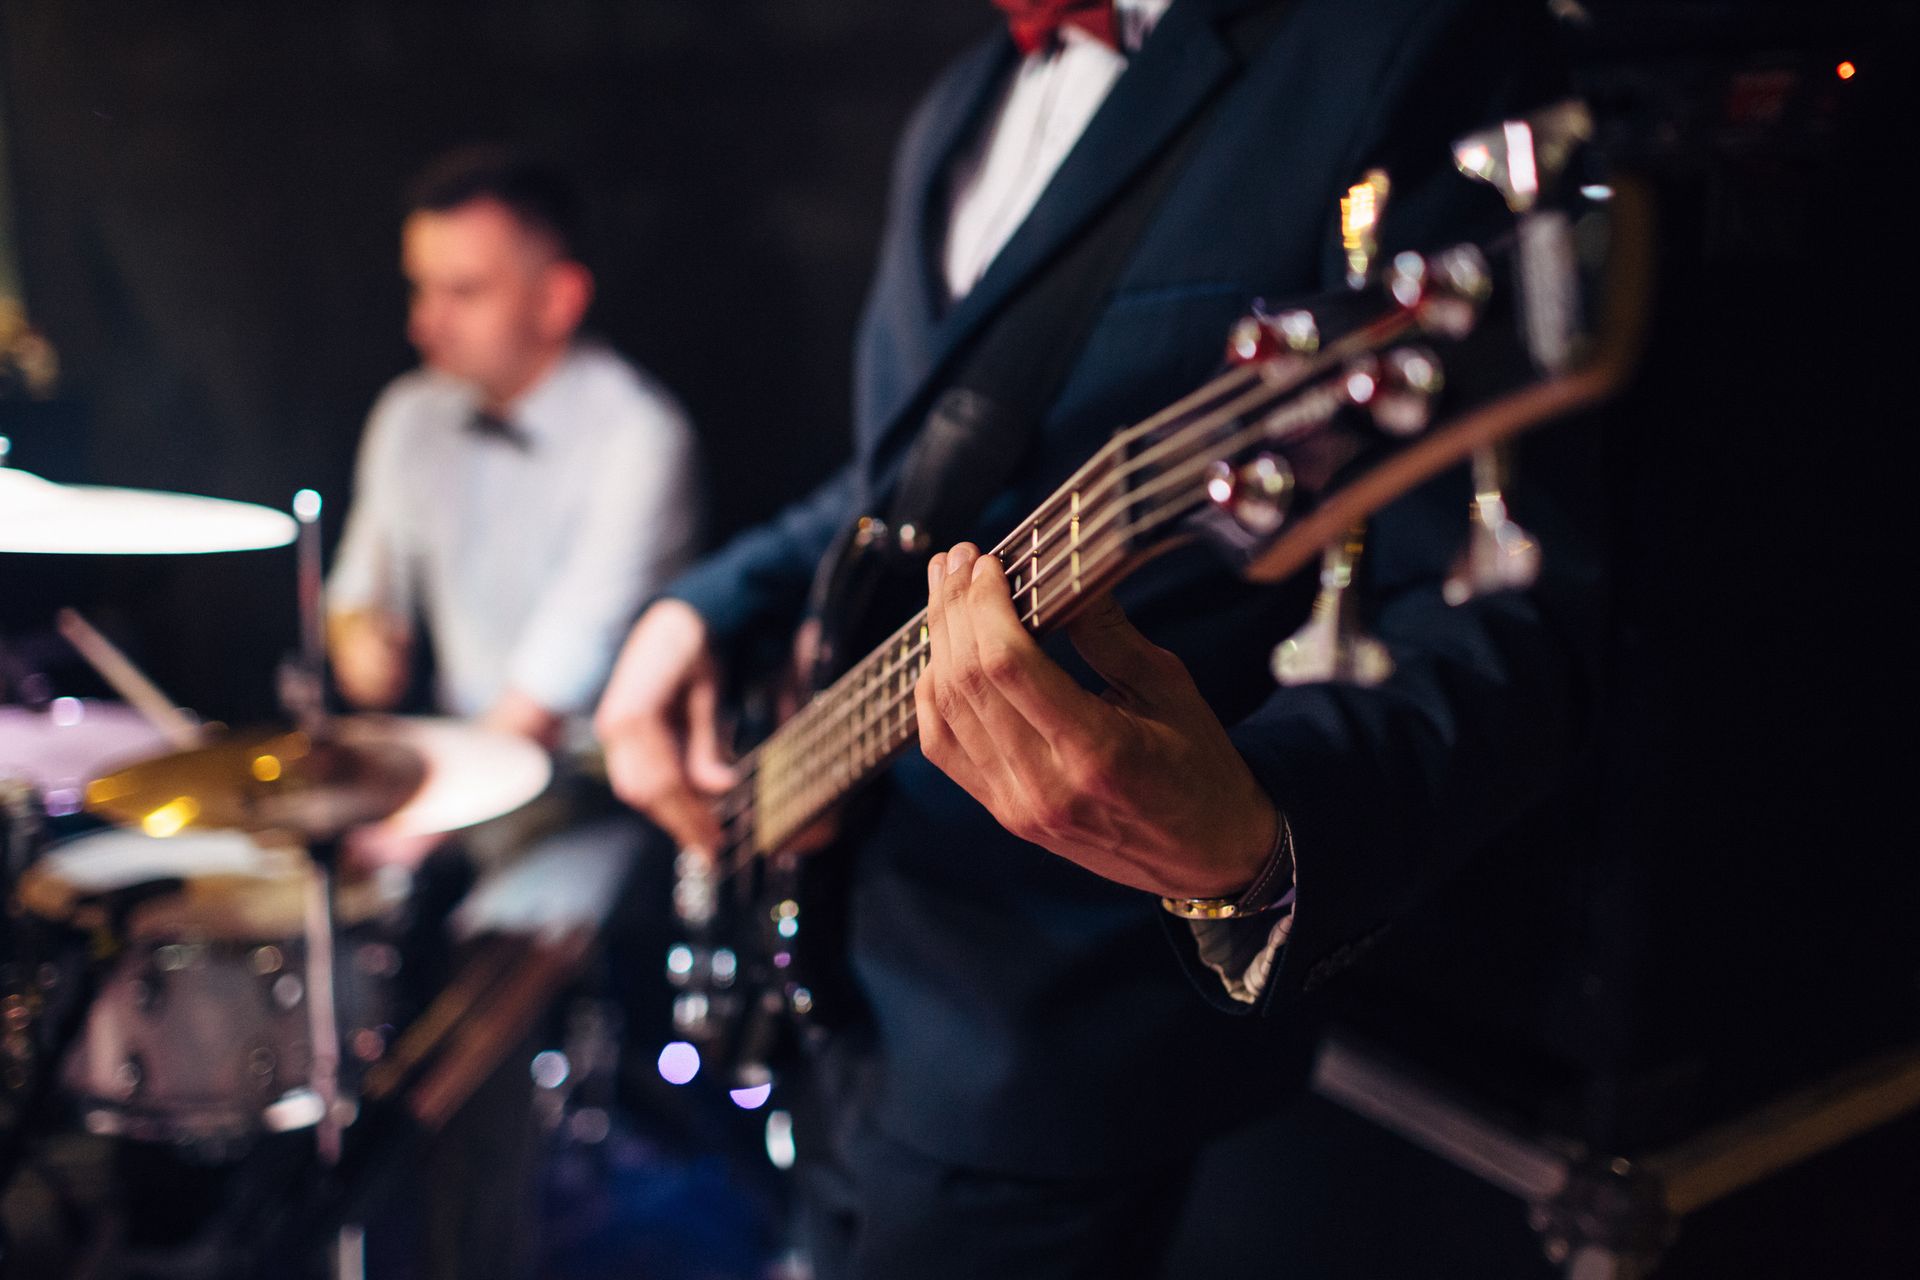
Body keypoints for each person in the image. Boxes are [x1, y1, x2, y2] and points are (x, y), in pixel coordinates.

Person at [595, 1, 1596, 1275]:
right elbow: (890, 481)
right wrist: (697, 605)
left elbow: (1510, 626)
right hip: (842, 972)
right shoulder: (960, 99)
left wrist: (1247, 839)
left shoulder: (1390, 52)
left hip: (1055, 1048)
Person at [326, 146, 699, 1280]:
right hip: (444, 767)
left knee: (480, 995)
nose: (423, 322)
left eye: (461, 290)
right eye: (419, 287)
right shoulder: (407, 417)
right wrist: (362, 647)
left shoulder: (641, 437)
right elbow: (357, 608)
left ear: (558, 297)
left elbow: (543, 705)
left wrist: (405, 834)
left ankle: (460, 1253)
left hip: (589, 788)